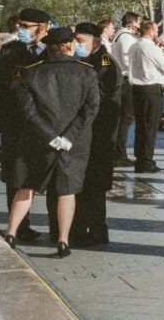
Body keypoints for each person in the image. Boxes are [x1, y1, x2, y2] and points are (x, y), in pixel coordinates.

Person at [3, 27, 99, 258]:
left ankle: (11, 233)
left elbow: (28, 111)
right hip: (73, 143)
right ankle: (63, 240)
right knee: (66, 191)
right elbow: (91, 109)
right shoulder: (86, 72)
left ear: (49, 47)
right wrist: (67, 137)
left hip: (37, 140)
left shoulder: (30, 72)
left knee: (27, 187)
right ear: (69, 45)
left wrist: (49, 136)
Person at [0, 8, 52, 242]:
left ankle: (57, 227)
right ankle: (20, 226)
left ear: (43, 27)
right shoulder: (9, 51)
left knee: (50, 177)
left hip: (46, 124)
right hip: (14, 124)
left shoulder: (54, 50)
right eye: (20, 25)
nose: (21, 30)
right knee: (15, 177)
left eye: (27, 26)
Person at [71, 22, 121, 246]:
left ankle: (98, 230)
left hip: (100, 132)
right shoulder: (84, 60)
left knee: (95, 184)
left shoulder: (105, 63)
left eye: (81, 41)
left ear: (97, 42)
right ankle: (79, 228)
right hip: (86, 132)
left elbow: (100, 96)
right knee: (82, 182)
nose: (76, 45)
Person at [127, 21, 164, 173]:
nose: (157, 33)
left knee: (141, 126)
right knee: (150, 126)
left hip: (137, 89)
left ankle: (140, 159)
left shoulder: (134, 46)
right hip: (151, 89)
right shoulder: (151, 48)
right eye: (156, 30)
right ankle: (147, 161)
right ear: (151, 31)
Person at [110, 12, 141, 167]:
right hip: (126, 78)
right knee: (126, 118)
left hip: (121, 78)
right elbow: (128, 59)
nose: (139, 26)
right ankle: (120, 153)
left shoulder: (118, 35)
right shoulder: (126, 37)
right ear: (132, 23)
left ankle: (118, 151)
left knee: (122, 118)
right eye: (138, 22)